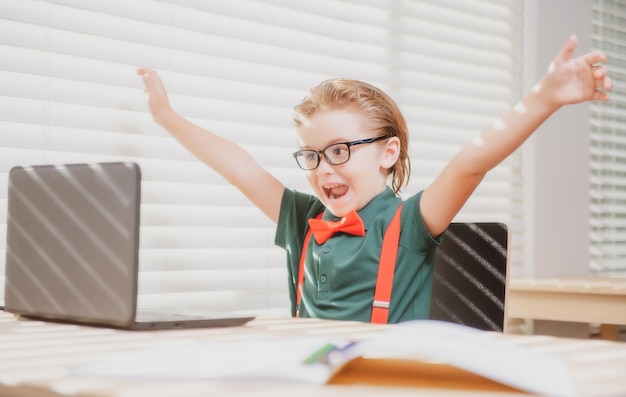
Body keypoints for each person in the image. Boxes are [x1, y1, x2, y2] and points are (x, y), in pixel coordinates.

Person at [137, 35, 611, 324]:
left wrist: (544, 98)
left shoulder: (408, 223)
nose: (324, 168)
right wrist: (166, 116)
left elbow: (470, 162)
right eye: (312, 155)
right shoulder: (303, 219)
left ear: (389, 152)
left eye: (340, 151)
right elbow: (239, 167)